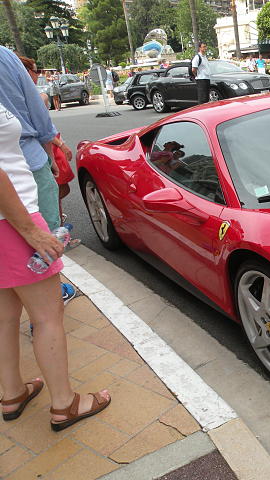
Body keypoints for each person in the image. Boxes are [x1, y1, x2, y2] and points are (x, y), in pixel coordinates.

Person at [0, 98, 111, 431]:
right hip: (13, 220)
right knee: (47, 316)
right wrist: (32, 231)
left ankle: (12, 392)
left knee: (5, 316)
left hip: (7, 220)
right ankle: (65, 403)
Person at [0, 46, 77, 305]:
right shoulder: (5, 57)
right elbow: (40, 118)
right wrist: (49, 156)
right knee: (47, 314)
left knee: (7, 316)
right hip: (27, 168)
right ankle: (51, 296)